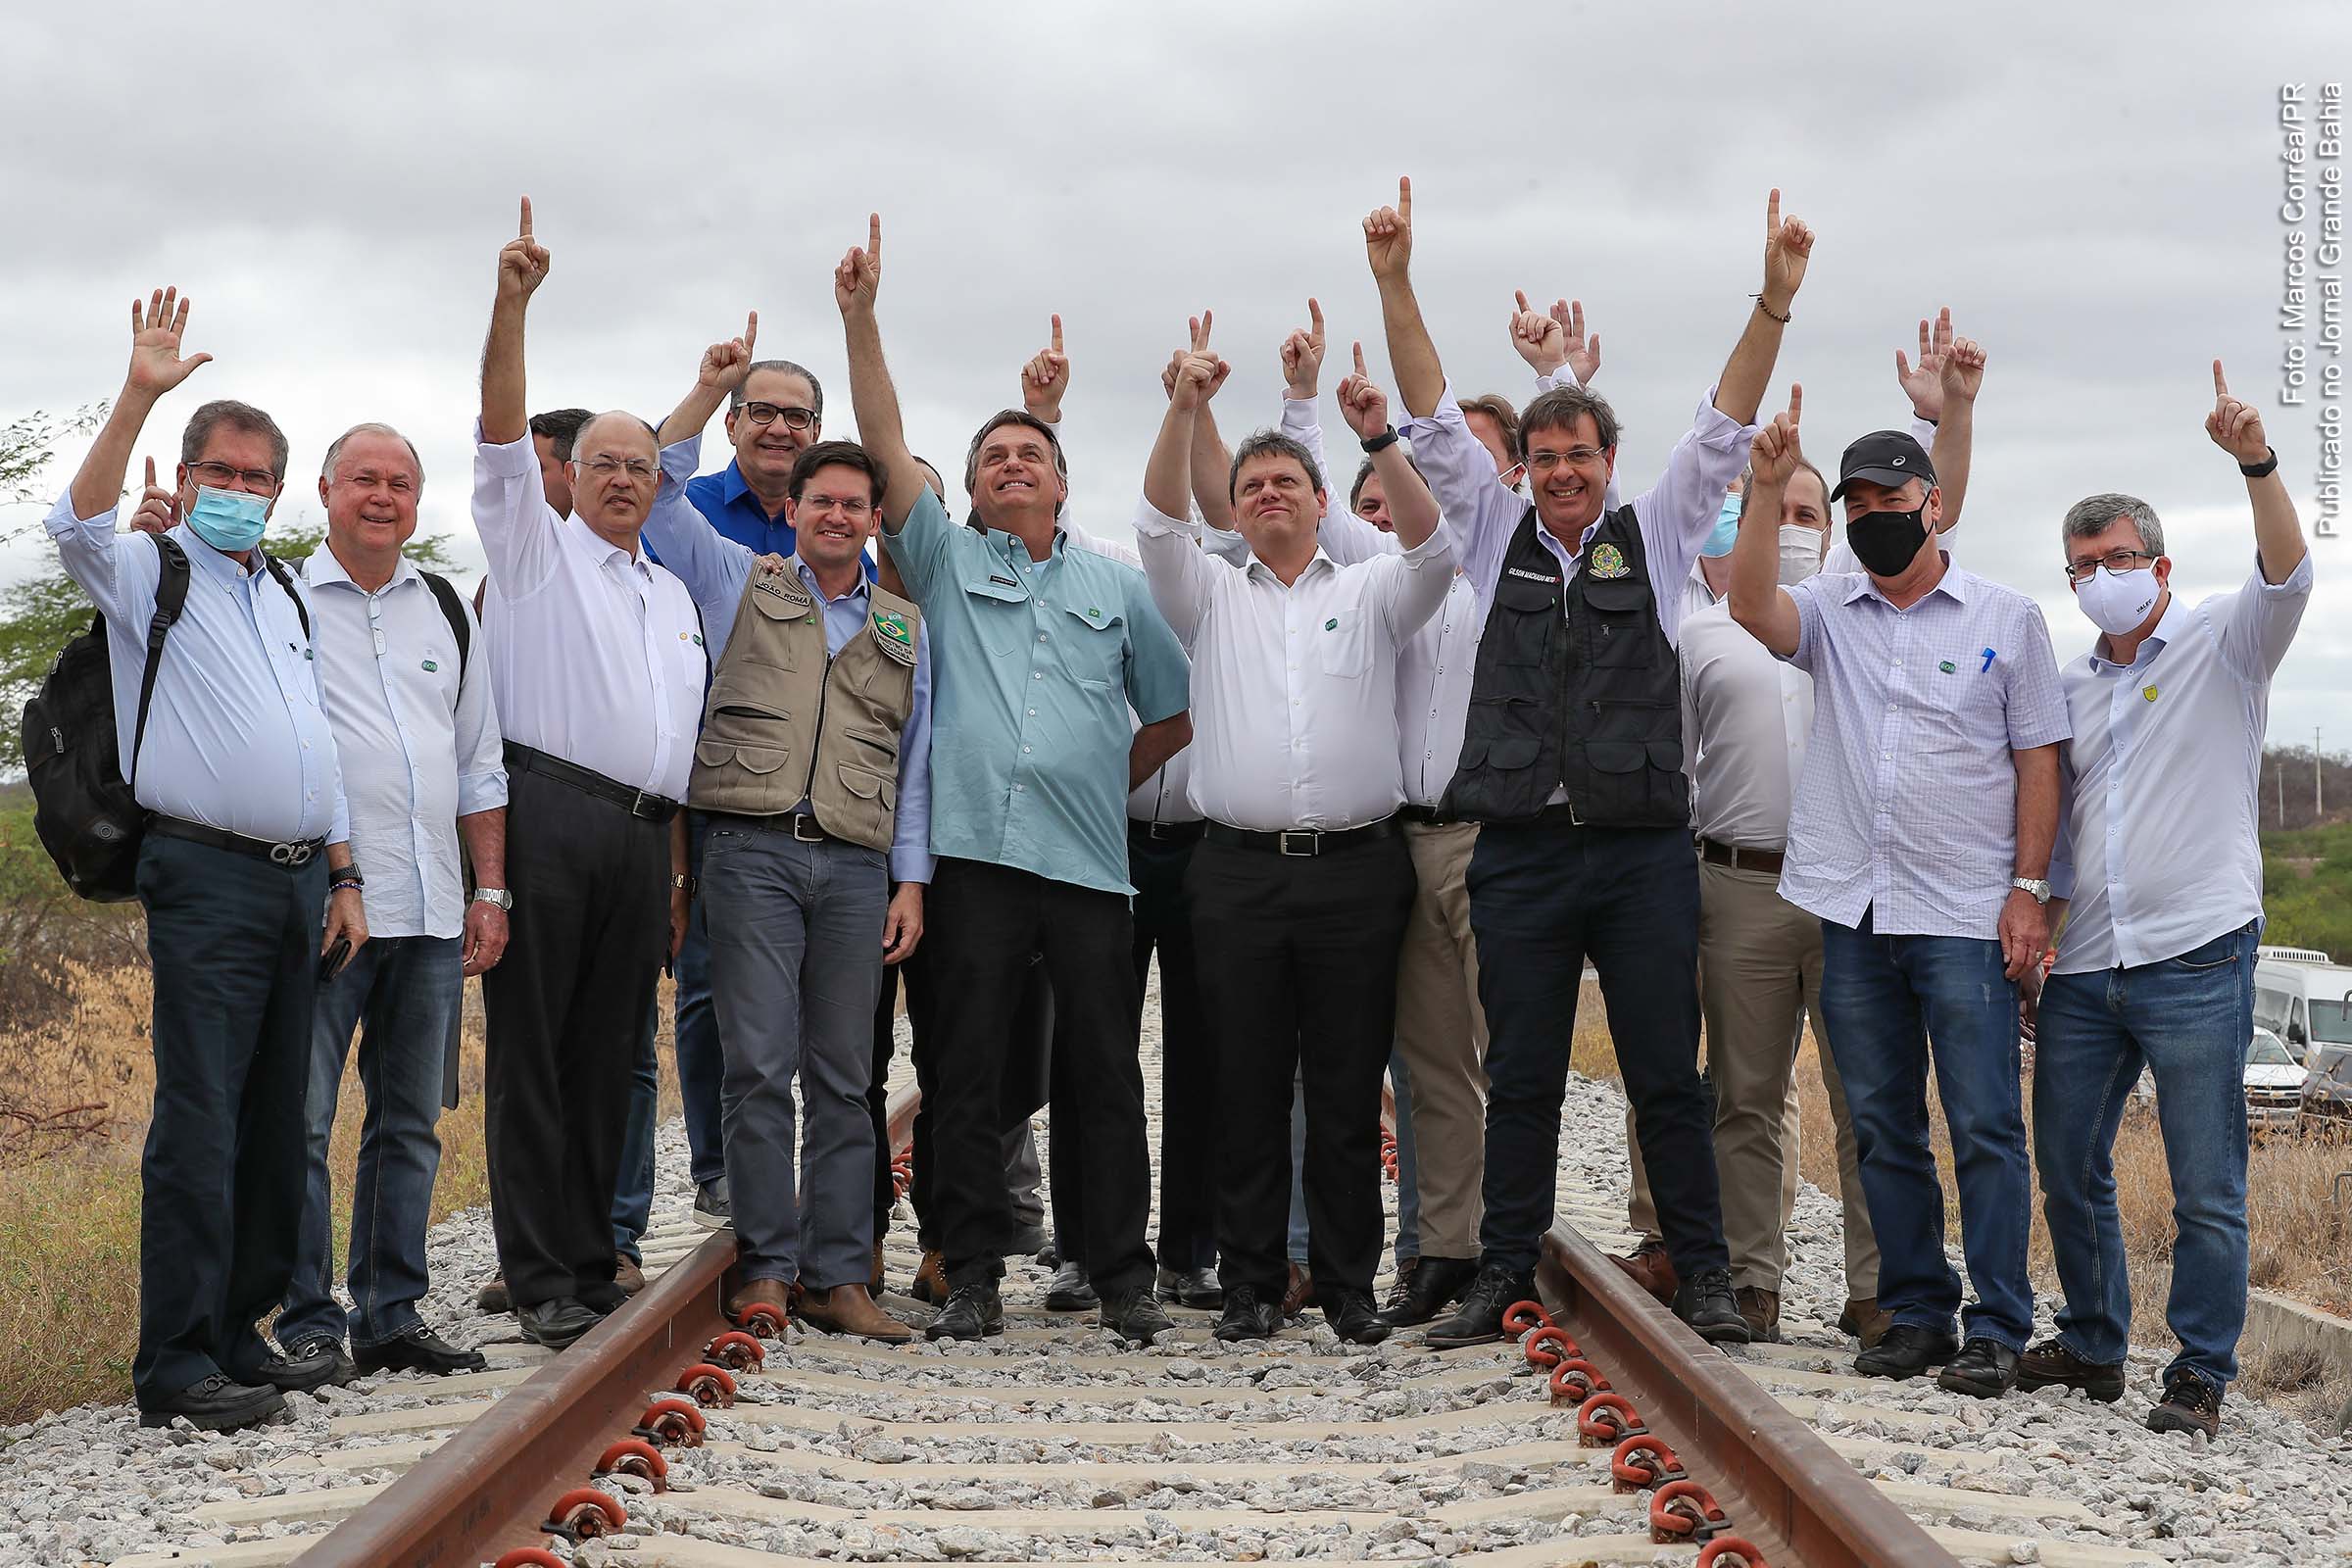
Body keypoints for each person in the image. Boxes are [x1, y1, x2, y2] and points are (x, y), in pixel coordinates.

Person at [1369, 180, 1804, 1348]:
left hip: (1638, 851)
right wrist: (1395, 282)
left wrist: (1773, 301)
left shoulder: (1660, 536)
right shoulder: (1485, 528)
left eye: (1580, 454)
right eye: (1545, 454)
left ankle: (1706, 1276)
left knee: (1668, 1073)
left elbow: (1722, 422)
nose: (1561, 470)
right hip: (1517, 848)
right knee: (1522, 1075)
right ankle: (1501, 1271)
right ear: (1523, 466)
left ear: (1611, 461)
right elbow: (1424, 408)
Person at [837, 216, 1192, 1345]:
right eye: (992, 457)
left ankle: (1120, 1271)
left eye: (1028, 454)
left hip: (1089, 865)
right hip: (974, 864)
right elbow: (886, 441)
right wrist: (862, 319)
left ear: (1059, 480)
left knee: (1103, 1072)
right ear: (975, 493)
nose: (1009, 465)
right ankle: (975, 1268)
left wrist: (1095, 768)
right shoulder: (943, 560)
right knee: (965, 1069)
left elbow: (1171, 711)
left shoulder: (1116, 585)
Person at [47, 288, 367, 1430]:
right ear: (185, 478)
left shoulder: (279, 587)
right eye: (220, 473)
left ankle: (240, 1331)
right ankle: (175, 1363)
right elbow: (77, 523)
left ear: (279, 491)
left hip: (294, 881)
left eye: (255, 477)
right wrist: (140, 389)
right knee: (201, 1119)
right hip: (204, 876)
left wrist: (342, 874)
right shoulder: (149, 573)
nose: (238, 492)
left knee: (279, 1118)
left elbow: (315, 746)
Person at [1263, 296, 1606, 1328]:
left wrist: (1559, 378)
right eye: (1429, 455)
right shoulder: (1386, 564)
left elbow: (1586, 471)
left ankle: (1511, 1242)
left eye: (1476, 457)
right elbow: (1312, 511)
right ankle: (1445, 1251)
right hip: (1405, 836)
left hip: (1499, 836)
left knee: (1520, 1055)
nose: (1451, 470)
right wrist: (1299, 397)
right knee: (1433, 1063)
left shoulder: (1527, 562)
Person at [1727, 386, 2070, 1398]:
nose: (1873, 514)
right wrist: (1758, 490)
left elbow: (2040, 760)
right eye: (1857, 502)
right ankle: (1918, 1308)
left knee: (1983, 1126)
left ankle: (1999, 1323)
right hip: (1857, 909)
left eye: (1891, 497)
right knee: (1881, 1122)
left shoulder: (2008, 618)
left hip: (1965, 914)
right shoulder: (1835, 610)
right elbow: (1751, 605)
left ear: (1932, 504)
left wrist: (2029, 893)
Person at [1140, 322, 1452, 1344]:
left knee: (1348, 1087)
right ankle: (1250, 1281)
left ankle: (1351, 1285)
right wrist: (1185, 405)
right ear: (1233, 508)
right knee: (1244, 1082)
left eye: (1287, 482)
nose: (1270, 493)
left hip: (1357, 875)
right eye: (1253, 485)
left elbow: (1437, 550)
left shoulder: (1371, 590)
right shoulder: (1210, 595)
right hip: (1234, 875)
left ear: (1322, 504)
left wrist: (1378, 441)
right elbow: (1153, 525)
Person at [2020, 363, 2313, 1439]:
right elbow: (2058, 823)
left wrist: (2256, 462)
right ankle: (2096, 1343)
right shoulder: (2067, 684)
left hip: (2198, 952)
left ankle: (2198, 1370)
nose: (2104, 576)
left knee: (2205, 1182)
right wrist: (2037, 931)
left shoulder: (2226, 644)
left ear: (2160, 565)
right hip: (2091, 960)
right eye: (2086, 564)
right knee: (2066, 1158)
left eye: (2122, 559)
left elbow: (2287, 576)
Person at [645, 318, 933, 1343]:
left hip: (857, 867)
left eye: (857, 504)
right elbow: (661, 484)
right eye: (822, 501)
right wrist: (704, 385)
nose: (840, 517)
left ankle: (841, 1274)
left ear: (873, 519)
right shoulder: (737, 579)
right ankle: (766, 1266)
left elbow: (918, 761)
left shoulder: (904, 629)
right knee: (759, 1065)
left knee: (848, 1074)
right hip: (753, 853)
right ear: (795, 509)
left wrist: (912, 880)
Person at [470, 200, 702, 1350]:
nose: (620, 480)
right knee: (537, 1058)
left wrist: (668, 870)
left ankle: (588, 1259)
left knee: (612, 1055)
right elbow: (501, 434)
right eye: (602, 462)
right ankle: (538, 1274)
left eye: (640, 466)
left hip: (638, 839)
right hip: (548, 814)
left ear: (662, 484)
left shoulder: (667, 593)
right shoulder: (533, 555)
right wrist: (511, 304)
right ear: (570, 476)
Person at [274, 423, 508, 1380]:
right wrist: (339, 876)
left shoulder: (446, 606)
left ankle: (390, 1311)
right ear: (325, 490)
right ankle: (305, 1317)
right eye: (363, 478)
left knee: (409, 1118)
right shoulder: (279, 599)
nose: (383, 495)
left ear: (419, 499)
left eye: (401, 481)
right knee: (301, 1116)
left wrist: (490, 889)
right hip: (327, 907)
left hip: (435, 908)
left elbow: (478, 758)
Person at [651, 314, 836, 1233]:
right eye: (759, 411)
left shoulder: (837, 533)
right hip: (697, 787)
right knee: (709, 985)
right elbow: (650, 483)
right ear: (733, 423)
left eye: (797, 417)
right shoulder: (706, 528)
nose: (777, 428)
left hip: (810, 799)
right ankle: (719, 1167)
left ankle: (794, 1167)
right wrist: (710, 384)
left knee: (799, 1003)